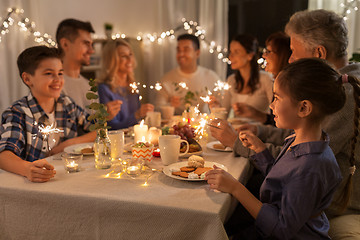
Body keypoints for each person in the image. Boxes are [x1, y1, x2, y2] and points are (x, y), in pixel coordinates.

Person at [211, 9, 360, 239]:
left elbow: (295, 182)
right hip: (295, 204)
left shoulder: (342, 101)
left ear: (319, 53)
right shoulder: (308, 132)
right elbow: (287, 168)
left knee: (227, 215)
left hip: (311, 215)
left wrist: (236, 184)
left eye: (292, 52)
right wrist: (260, 146)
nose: (288, 60)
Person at [0, 46, 96, 182]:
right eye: (49, 73)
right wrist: (27, 169)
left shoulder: (66, 104)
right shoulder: (18, 113)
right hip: (33, 187)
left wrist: (70, 144)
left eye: (60, 73)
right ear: (27, 79)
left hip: (67, 179)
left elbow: (98, 130)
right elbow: (4, 156)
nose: (57, 79)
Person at [155, 34, 220, 115]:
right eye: (178, 50)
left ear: (197, 53)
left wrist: (215, 107)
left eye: (186, 50)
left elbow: (221, 107)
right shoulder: (166, 79)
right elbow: (157, 110)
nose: (181, 54)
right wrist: (170, 105)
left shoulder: (211, 77)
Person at [97, 40, 154, 129]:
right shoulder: (104, 89)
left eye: (130, 54)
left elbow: (138, 122)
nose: (130, 59)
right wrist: (137, 114)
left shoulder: (132, 87)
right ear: (112, 60)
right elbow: (111, 127)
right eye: (124, 56)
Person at [220, 34, 273, 123]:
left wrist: (254, 113)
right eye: (230, 52)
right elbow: (223, 114)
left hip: (259, 133)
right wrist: (216, 108)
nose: (230, 57)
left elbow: (275, 119)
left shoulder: (266, 79)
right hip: (236, 133)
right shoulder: (231, 80)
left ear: (250, 55)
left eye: (236, 52)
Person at [56, 18, 96, 114]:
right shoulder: (54, 86)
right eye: (86, 44)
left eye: (91, 45)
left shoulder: (89, 86)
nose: (91, 50)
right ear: (65, 44)